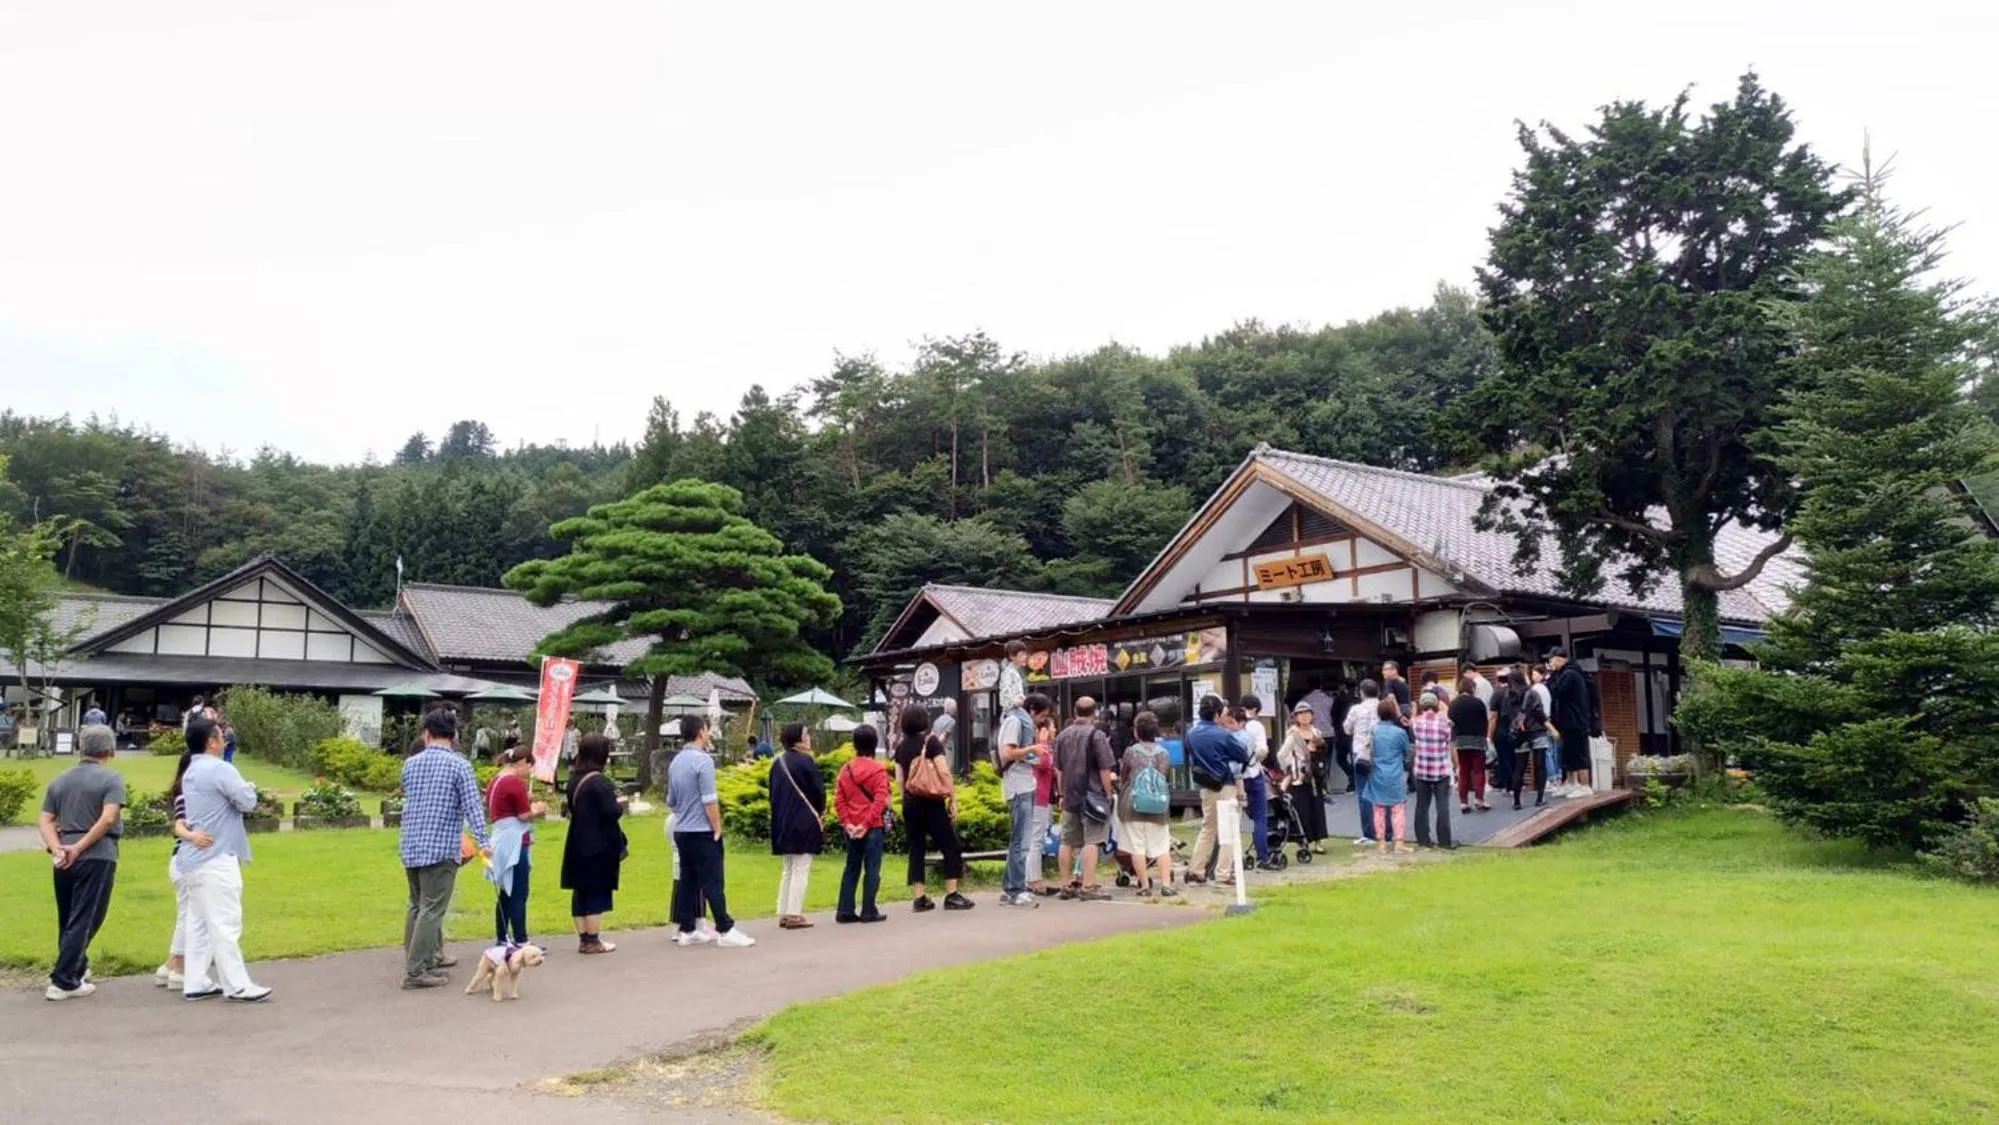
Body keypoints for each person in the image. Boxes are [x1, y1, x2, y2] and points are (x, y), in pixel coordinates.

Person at [177, 716, 273, 1002]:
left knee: (199, 923)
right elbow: (247, 801)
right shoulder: (220, 768)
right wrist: (250, 787)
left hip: (193, 857)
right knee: (225, 921)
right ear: (211, 742)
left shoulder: (192, 770)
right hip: (217, 855)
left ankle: (195, 980)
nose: (224, 740)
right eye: (220, 735)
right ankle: (237, 984)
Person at [399, 708, 489, 989]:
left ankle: (423, 958)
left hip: (412, 844)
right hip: (440, 846)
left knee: (417, 905)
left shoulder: (410, 764)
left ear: (426, 734)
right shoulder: (459, 765)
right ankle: (416, 970)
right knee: (432, 908)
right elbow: (473, 807)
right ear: (455, 736)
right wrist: (484, 843)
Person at [38, 725, 124, 1001]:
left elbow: (46, 819)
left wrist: (57, 847)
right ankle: (64, 980)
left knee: (69, 916)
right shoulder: (111, 779)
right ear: (110, 750)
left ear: (81, 748)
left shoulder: (60, 780)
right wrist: (80, 846)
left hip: (63, 853)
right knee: (88, 916)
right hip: (97, 853)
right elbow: (108, 818)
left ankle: (76, 965)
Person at [669, 714, 754, 946]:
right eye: (707, 730)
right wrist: (717, 827)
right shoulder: (703, 761)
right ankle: (725, 928)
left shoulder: (676, 761)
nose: (709, 734)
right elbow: (709, 799)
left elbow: (672, 800)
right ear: (700, 732)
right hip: (701, 830)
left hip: (682, 829)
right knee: (713, 880)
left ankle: (686, 928)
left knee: (688, 879)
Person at [894, 705, 974, 912]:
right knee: (950, 844)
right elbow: (944, 771)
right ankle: (952, 894)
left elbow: (899, 779)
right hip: (931, 802)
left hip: (910, 802)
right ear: (923, 721)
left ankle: (919, 898)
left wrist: (907, 798)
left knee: (916, 848)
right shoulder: (931, 742)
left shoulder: (900, 747)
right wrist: (953, 798)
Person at [155, 741, 217, 991]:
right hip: (189, 858)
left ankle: (171, 965)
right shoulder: (190, 795)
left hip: (181, 858)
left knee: (188, 913)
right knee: (191, 915)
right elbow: (179, 826)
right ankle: (180, 967)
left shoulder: (183, 792)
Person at [560, 733, 626, 953]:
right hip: (598, 843)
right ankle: (594, 939)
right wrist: (621, 805)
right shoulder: (600, 782)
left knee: (581, 891)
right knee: (597, 890)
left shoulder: (573, 780)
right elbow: (611, 812)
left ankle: (583, 939)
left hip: (576, 839)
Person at [1054, 696, 1118, 900]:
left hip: (1070, 793)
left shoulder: (1063, 736)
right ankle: (1088, 886)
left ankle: (1065, 884)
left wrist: (1061, 793)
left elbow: (1059, 770)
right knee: (1093, 840)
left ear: (1074, 710)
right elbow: (1104, 769)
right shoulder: (1096, 735)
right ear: (1094, 713)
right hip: (1092, 795)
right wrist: (1108, 794)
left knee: (1067, 840)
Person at [1183, 695, 1249, 886]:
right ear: (1217, 713)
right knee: (1228, 829)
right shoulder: (1223, 734)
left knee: (1208, 828)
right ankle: (1223, 872)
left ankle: (1196, 870)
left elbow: (1189, 752)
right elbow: (1242, 754)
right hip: (1225, 784)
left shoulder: (1191, 734)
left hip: (1205, 786)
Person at [486, 746, 547, 949]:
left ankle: (503, 937)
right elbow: (523, 815)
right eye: (529, 766)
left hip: (500, 837)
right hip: (514, 841)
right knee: (519, 891)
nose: (529, 771)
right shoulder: (514, 783)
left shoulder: (496, 780)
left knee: (506, 891)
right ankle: (521, 939)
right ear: (522, 763)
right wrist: (537, 810)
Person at [995, 692, 1051, 908]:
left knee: (1018, 841)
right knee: (1022, 842)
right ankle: (1016, 890)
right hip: (1018, 787)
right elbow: (1008, 753)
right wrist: (1032, 749)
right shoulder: (1015, 722)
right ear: (1033, 711)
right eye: (1041, 716)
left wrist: (1034, 757)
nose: (1040, 721)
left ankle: (1010, 886)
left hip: (1024, 784)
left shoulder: (1018, 721)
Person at [769, 723, 826, 930]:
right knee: (801, 867)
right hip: (803, 821)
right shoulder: (805, 762)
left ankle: (784, 911)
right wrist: (821, 812)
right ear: (799, 739)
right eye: (806, 734)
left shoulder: (778, 763)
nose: (809, 737)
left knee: (788, 868)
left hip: (783, 821)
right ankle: (794, 913)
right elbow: (818, 791)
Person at [833, 723, 891, 924]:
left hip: (851, 828)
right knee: (872, 869)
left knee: (851, 867)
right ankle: (869, 909)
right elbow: (880, 800)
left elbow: (839, 801)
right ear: (874, 744)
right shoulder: (878, 771)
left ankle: (845, 909)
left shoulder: (846, 770)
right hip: (872, 826)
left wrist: (848, 823)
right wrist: (866, 824)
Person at [1118, 711, 1176, 897]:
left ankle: (1144, 886)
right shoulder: (1164, 753)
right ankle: (1166, 885)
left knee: (1137, 847)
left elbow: (1124, 776)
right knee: (1161, 846)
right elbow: (1165, 776)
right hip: (1158, 806)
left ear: (1137, 732)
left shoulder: (1131, 752)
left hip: (1133, 805)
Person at [1547, 648, 1599, 798]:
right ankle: (1571, 783)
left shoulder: (1570, 674)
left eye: (1551, 659)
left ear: (1559, 659)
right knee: (1568, 753)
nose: (1550, 663)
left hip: (1576, 720)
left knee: (1578, 752)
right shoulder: (1566, 673)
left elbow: (1556, 691)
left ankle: (1585, 785)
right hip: (1568, 721)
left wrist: (1551, 676)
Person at [1365, 699, 1413, 855]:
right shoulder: (1400, 733)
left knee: (1378, 809)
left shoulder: (1373, 731)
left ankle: (1381, 844)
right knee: (1398, 809)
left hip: (1377, 773)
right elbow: (1408, 753)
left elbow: (1368, 750)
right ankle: (1399, 843)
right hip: (1396, 773)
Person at [1279, 701, 1330, 848]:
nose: (1304, 716)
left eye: (1307, 713)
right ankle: (1304, 841)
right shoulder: (1293, 734)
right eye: (1300, 714)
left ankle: (1318, 841)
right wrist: (1290, 768)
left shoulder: (1317, 732)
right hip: (1299, 777)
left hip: (1315, 775)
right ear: (1295, 716)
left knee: (1317, 808)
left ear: (1312, 715)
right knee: (1303, 809)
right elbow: (1282, 754)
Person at [1237, 697, 1279, 872]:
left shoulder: (1231, 724)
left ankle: (1233, 859)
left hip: (1235, 778)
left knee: (1234, 818)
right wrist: (1255, 759)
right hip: (1253, 776)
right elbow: (1263, 751)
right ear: (1255, 709)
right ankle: (1263, 857)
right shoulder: (1256, 726)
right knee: (1260, 818)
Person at [1410, 693, 1455, 849]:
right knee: (1442, 806)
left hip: (1421, 769)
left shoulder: (1415, 722)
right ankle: (1444, 841)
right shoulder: (1446, 723)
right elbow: (1449, 744)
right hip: (1441, 769)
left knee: (1421, 805)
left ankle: (1423, 839)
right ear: (1436, 705)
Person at [1343, 680, 1383, 846]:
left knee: (1364, 794)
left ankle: (1369, 833)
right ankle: (1386, 831)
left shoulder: (1356, 709)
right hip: (1381, 753)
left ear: (1361, 693)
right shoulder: (1383, 707)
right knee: (1382, 793)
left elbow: (1347, 728)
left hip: (1361, 754)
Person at [1510, 669, 1552, 808]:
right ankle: (1539, 798)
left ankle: (1516, 801)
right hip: (1537, 731)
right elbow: (1539, 712)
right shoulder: (1532, 693)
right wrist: (1551, 728)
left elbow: (1506, 716)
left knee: (1519, 768)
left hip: (1520, 735)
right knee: (1540, 766)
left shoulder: (1509, 696)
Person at [1450, 676, 1491, 814]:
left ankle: (1463, 802)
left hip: (1461, 741)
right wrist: (1485, 737)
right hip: (1477, 741)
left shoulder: (1454, 704)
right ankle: (1479, 799)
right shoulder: (1478, 703)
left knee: (1464, 771)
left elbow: (1451, 723)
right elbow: (1485, 721)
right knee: (1479, 770)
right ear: (1472, 688)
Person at [1028, 715, 1058, 895]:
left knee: (1035, 838)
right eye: (1052, 727)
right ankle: (1034, 880)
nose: (1054, 731)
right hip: (1039, 797)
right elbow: (1045, 762)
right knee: (1036, 839)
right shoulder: (1040, 749)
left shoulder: (1036, 749)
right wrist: (1043, 741)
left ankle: (1031, 878)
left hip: (1040, 797)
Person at [1529, 665, 1557, 795]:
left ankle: (1550, 779)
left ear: (1541, 675)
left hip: (1541, 722)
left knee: (1545, 752)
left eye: (1535, 674)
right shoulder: (1546, 688)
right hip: (1549, 719)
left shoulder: (1535, 689)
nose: (1532, 677)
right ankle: (1555, 777)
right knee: (1551, 751)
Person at [999, 639, 1030, 713]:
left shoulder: (1015, 672)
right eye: (1022, 654)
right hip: (1012, 710)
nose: (1025, 657)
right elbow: (1005, 694)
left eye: (1025, 654)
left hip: (1017, 709)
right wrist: (1016, 701)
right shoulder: (1008, 672)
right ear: (1012, 656)